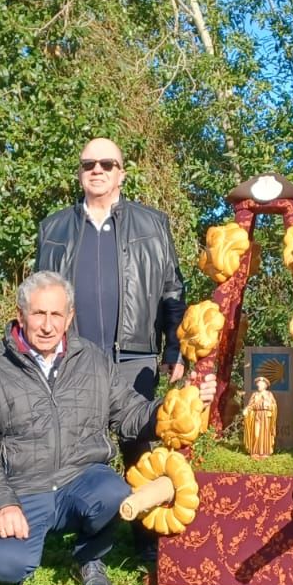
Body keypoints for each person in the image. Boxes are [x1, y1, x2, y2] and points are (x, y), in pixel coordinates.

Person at [0, 271, 213, 585]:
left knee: (114, 492)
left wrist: (175, 404)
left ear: (69, 317)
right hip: (23, 489)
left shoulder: (93, 360)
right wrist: (1, 503)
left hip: (80, 478)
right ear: (20, 314)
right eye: (38, 313)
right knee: (7, 568)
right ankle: (24, 538)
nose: (47, 325)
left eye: (56, 314)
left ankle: (89, 555)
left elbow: (130, 413)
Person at [35, 138, 186, 430]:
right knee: (78, 457)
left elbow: (172, 290)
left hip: (135, 358)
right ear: (80, 173)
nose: (97, 170)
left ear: (121, 174)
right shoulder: (52, 229)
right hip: (73, 359)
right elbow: (38, 299)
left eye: (107, 164)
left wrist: (175, 349)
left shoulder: (153, 225)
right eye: (88, 165)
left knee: (140, 453)